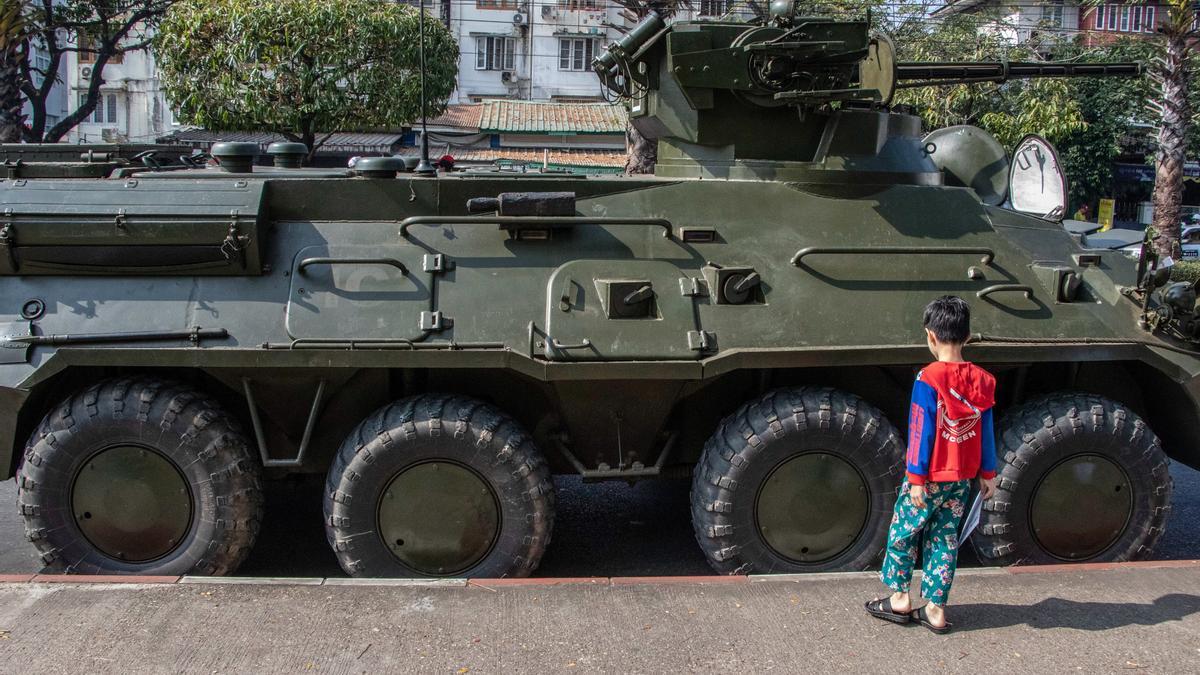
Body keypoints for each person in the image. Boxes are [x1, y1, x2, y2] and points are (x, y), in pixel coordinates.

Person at [865, 296, 997, 634]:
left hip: (931, 476)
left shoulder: (929, 378)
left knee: (903, 532)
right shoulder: (983, 380)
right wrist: (988, 472)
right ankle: (936, 610)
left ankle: (898, 599)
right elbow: (986, 431)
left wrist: (917, 478)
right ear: (968, 337)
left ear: (930, 337)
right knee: (944, 538)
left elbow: (920, 430)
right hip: (963, 478)